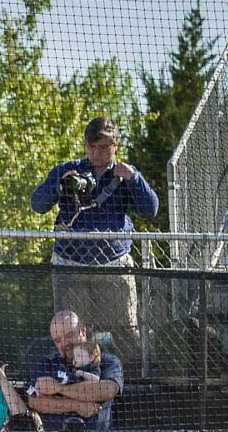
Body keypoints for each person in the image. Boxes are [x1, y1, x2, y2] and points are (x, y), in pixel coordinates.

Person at [31, 116, 159, 357]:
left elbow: (150, 210)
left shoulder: (125, 175)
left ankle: (132, 384)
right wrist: (58, 184)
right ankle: (80, 381)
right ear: (85, 145)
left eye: (103, 147)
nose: (96, 152)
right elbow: (38, 204)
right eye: (92, 146)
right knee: (74, 334)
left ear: (115, 147)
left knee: (126, 330)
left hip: (114, 264)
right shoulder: (67, 171)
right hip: (71, 265)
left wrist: (134, 179)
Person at [26, 315, 122, 432]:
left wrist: (58, 389)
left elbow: (107, 389)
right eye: (58, 340)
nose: (64, 343)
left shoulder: (105, 361)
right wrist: (76, 405)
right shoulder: (47, 363)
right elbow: (35, 401)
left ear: (82, 330)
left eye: (69, 335)